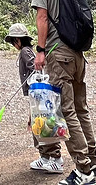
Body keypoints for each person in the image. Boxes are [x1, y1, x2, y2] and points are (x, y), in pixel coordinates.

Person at [28, 0, 96, 185]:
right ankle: (94, 164)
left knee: (66, 112)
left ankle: (83, 171)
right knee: (81, 110)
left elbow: (42, 18)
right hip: (77, 54)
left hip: (59, 55)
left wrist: (40, 50)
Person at [5, 22, 63, 174]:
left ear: (17, 40)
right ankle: (44, 157)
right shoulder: (27, 50)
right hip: (35, 94)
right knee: (37, 126)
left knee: (43, 124)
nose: (13, 44)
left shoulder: (25, 51)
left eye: (13, 41)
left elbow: (36, 69)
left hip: (38, 94)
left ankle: (56, 159)